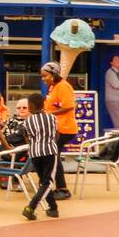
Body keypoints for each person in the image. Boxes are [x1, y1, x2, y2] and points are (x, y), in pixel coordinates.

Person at [20, 92, 61, 221]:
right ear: (43, 104)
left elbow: (27, 138)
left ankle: (53, 208)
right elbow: (57, 134)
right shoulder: (52, 118)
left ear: (31, 107)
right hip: (49, 152)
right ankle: (31, 207)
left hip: (35, 154)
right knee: (48, 182)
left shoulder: (27, 122)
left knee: (43, 181)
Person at [41, 61, 77, 198]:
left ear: (53, 74)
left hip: (64, 129)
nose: (43, 79)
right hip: (56, 128)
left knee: (53, 157)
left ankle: (63, 189)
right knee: (52, 156)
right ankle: (55, 186)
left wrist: (48, 114)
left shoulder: (63, 86)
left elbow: (68, 106)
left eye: (45, 76)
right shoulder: (53, 87)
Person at [103, 55, 119, 130]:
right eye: (116, 60)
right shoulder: (109, 73)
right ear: (111, 62)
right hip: (112, 99)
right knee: (117, 120)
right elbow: (116, 85)